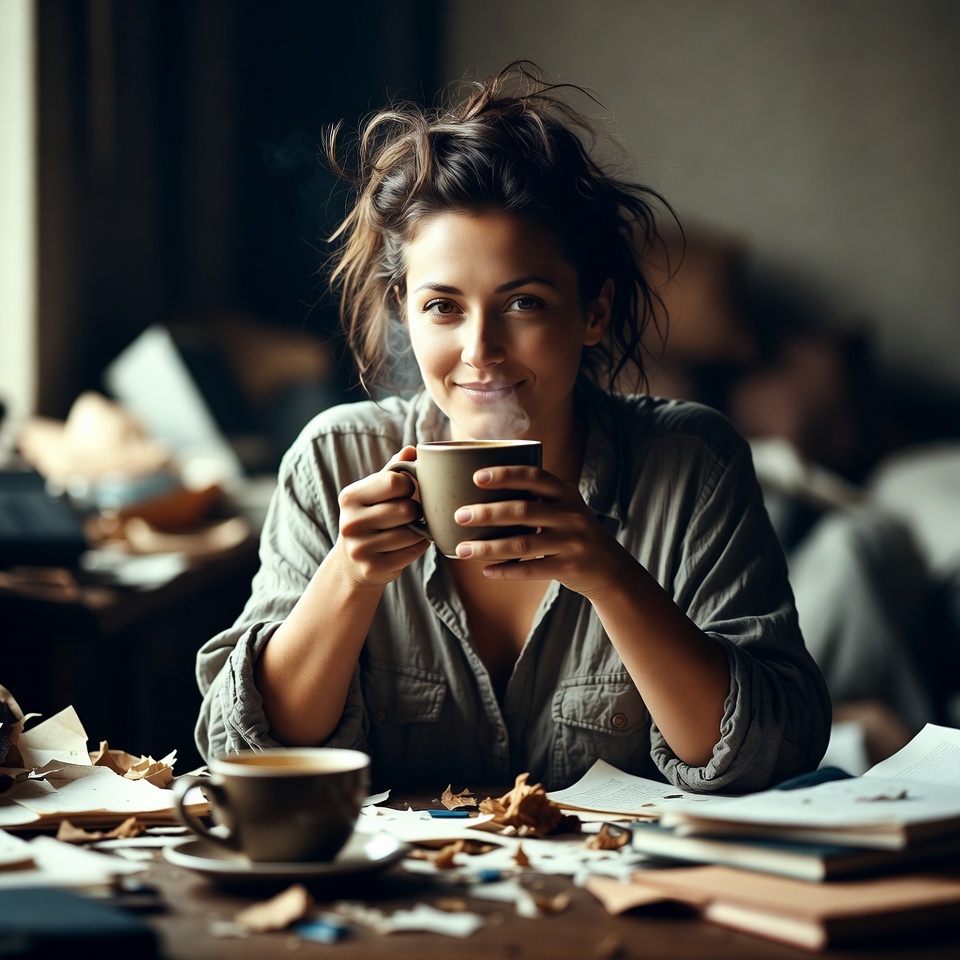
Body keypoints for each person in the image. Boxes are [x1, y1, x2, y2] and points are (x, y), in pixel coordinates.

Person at [195, 61, 831, 792]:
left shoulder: (692, 464)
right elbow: (246, 755)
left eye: (523, 303)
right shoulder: (335, 459)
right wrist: (348, 576)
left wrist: (610, 576)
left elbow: (774, 749)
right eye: (442, 307)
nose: (480, 351)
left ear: (593, 312)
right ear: (405, 310)